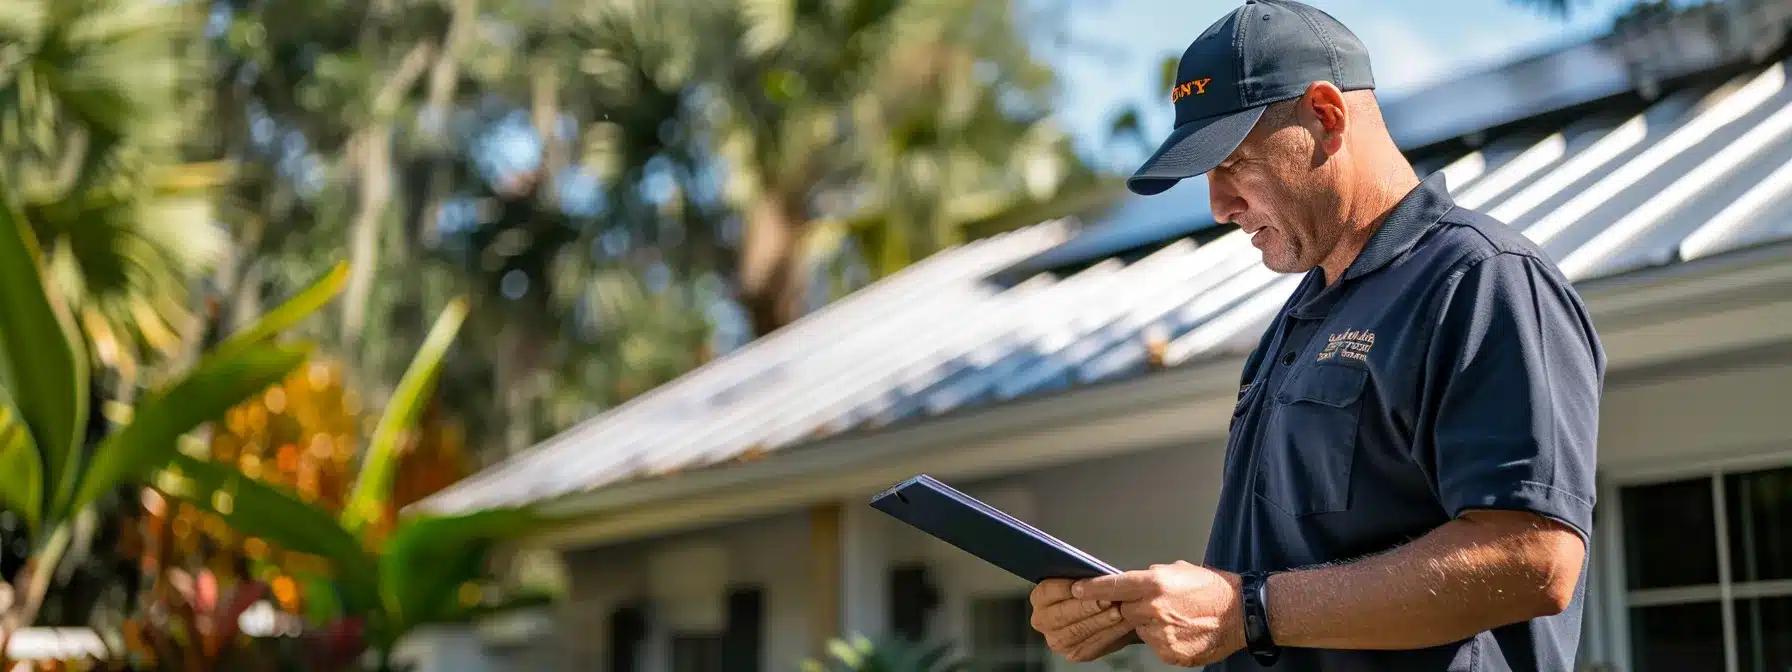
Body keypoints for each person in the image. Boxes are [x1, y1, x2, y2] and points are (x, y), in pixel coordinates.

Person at [1026, 1, 1606, 670]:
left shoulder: (1481, 280)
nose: (1218, 206)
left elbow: (1535, 558)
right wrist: (1146, 610)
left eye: (1234, 163)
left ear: (1326, 116)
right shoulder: (1300, 319)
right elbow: (1277, 578)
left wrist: (1248, 611)